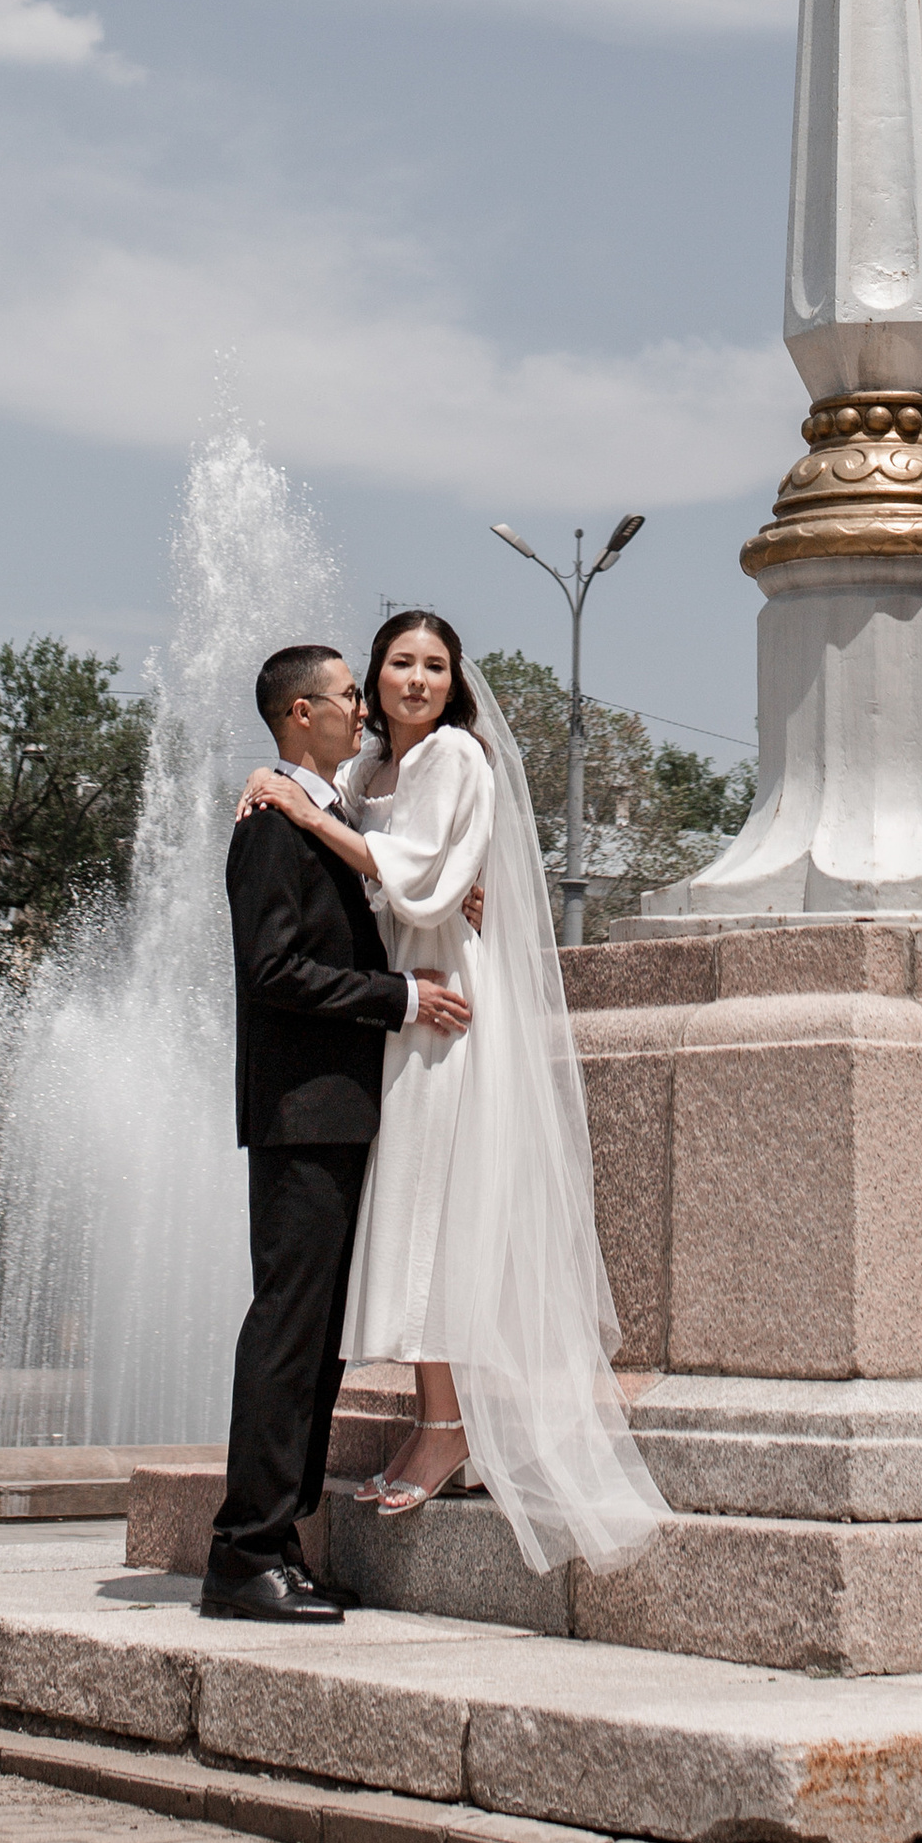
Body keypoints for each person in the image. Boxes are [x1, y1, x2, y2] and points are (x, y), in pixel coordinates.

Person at [236, 610, 662, 1574]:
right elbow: (356, 876)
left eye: (434, 664)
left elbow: (422, 884)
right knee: (416, 1204)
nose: (413, 680)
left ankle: (448, 1421)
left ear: (454, 678)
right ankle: (439, 1412)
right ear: (372, 682)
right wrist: (287, 794)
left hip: (440, 1005)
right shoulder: (360, 774)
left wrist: (309, 818)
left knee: (443, 1202)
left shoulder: (458, 758)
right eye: (395, 665)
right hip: (392, 1011)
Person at [203, 639, 472, 1628]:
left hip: (337, 1112)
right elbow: (272, 970)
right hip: (301, 1112)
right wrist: (399, 995)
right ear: (298, 716)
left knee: (314, 1343)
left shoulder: (318, 810)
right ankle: (243, 1553)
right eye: (348, 695)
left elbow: (385, 890)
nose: (363, 709)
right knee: (287, 1330)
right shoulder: (273, 823)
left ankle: (280, 1544)